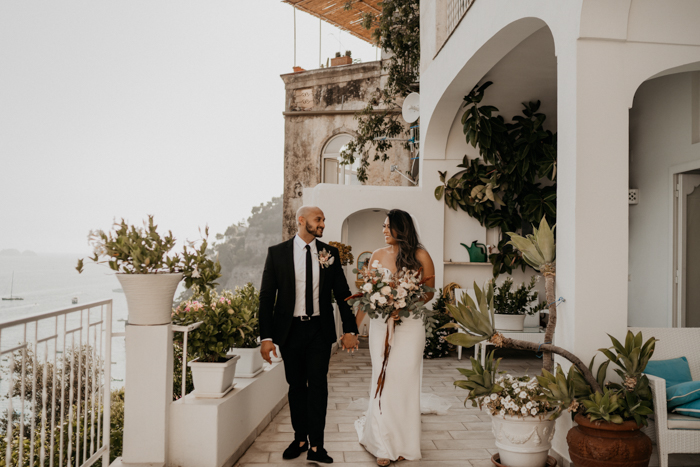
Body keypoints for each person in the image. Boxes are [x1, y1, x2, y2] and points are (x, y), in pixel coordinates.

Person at [259, 205, 360, 464]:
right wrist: (266, 337)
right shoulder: (278, 253)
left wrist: (350, 329)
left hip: (318, 329)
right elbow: (267, 297)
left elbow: (343, 293)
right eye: (318, 219)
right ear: (302, 221)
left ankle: (317, 445)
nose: (323, 223)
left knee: (318, 386)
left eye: (324, 219)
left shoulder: (329, 253)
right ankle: (300, 438)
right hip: (290, 331)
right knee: (295, 386)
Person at [353, 209, 436, 466]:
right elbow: (367, 295)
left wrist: (405, 301)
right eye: (383, 226)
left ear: (402, 228)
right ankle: (382, 443)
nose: (384, 230)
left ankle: (403, 442)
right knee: (384, 378)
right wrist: (354, 330)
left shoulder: (421, 255)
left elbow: (430, 292)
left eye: (389, 226)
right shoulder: (376, 255)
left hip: (410, 327)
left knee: (405, 381)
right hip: (381, 326)